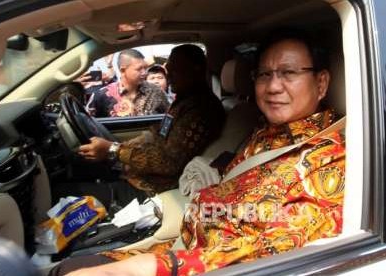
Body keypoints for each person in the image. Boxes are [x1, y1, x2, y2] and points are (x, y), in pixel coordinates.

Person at [51, 30, 345, 276]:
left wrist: (151, 267)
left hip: (210, 265)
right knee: (65, 268)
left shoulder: (329, 159)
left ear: (321, 83)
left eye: (289, 73)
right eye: (264, 74)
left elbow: (278, 249)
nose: (273, 86)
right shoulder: (264, 130)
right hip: (189, 239)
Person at [78, 44, 225, 207]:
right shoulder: (184, 100)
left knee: (74, 192)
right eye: (169, 70)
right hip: (140, 175)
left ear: (196, 70)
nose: (169, 77)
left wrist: (113, 150)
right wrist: (121, 149)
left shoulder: (201, 109)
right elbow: (158, 134)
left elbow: (169, 163)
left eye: (176, 70)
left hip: (156, 189)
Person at [86, 49, 169, 117]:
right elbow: (90, 127)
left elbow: (169, 118)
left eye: (145, 68)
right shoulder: (101, 96)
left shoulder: (156, 92)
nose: (144, 73)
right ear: (122, 70)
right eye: (139, 69)